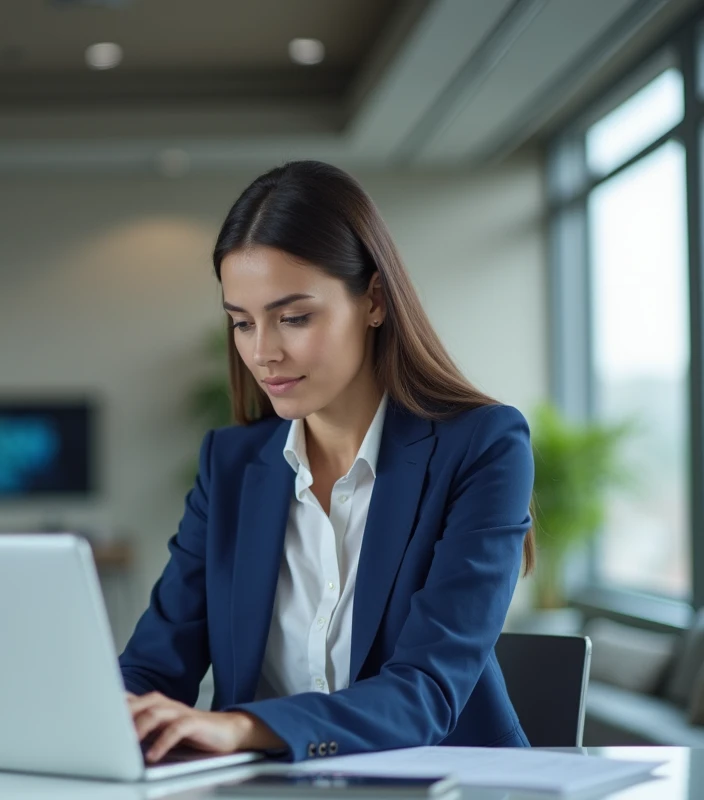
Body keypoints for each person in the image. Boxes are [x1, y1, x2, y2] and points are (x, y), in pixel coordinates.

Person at [120, 160, 536, 765]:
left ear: (372, 300)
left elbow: (423, 694)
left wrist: (241, 727)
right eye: (241, 323)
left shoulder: (483, 446)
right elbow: (156, 665)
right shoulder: (231, 466)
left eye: (294, 317)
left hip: (446, 783)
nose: (262, 352)